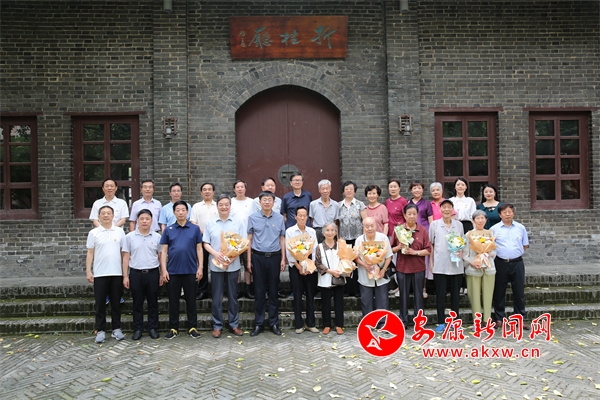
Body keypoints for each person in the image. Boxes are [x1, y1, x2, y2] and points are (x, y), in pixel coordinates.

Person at [159, 200, 203, 340]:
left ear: (187, 212)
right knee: (173, 301)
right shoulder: (169, 229)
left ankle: (192, 327)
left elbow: (199, 249)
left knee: (191, 300)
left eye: (183, 210)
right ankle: (173, 328)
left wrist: (200, 267)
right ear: (174, 212)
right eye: (177, 210)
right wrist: (164, 270)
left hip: (190, 270)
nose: (180, 212)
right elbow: (164, 251)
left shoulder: (195, 229)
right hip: (173, 271)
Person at [203, 194, 245, 338]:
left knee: (233, 296)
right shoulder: (210, 223)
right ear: (217, 206)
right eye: (221, 204)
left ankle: (234, 324)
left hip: (233, 265)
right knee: (217, 297)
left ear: (230, 206)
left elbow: (242, 244)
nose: (224, 207)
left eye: (226, 204)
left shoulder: (237, 222)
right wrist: (216, 254)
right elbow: (205, 243)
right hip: (216, 266)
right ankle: (217, 326)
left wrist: (233, 257)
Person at [247, 191, 286, 336]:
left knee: (274, 291)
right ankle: (259, 324)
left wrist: (283, 258)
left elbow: (282, 239)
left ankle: (274, 323)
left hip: (275, 257)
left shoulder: (279, 218)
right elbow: (249, 240)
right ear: (260, 202)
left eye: (270, 200)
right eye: (264, 199)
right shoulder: (253, 218)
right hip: (258, 257)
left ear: (274, 202)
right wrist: (249, 260)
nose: (267, 202)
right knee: (259, 291)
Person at [85, 205, 126, 343]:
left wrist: (125, 273)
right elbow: (90, 252)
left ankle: (116, 329)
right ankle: (100, 330)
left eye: (109, 213)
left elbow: (124, 253)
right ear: (99, 216)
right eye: (103, 213)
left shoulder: (120, 232)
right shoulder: (94, 233)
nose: (106, 215)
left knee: (116, 303)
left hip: (116, 272)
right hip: (100, 273)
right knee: (100, 303)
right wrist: (88, 270)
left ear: (113, 216)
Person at [122, 209, 162, 340]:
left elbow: (161, 256)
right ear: (137, 221)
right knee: (137, 303)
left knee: (153, 302)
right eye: (142, 219)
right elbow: (126, 257)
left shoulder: (157, 237)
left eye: (147, 219)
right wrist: (125, 276)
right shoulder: (129, 237)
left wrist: (162, 273)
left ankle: (153, 328)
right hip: (136, 273)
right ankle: (138, 329)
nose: (144, 221)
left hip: (153, 272)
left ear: (152, 221)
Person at [392, 204, 431, 327]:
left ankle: (419, 321)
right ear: (404, 215)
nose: (412, 216)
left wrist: (415, 252)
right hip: (402, 267)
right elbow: (391, 249)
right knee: (403, 296)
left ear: (417, 215)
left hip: (418, 268)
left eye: (414, 214)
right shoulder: (399, 230)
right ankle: (403, 321)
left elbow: (428, 250)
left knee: (418, 296)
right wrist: (399, 247)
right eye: (409, 214)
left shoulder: (422, 230)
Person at [491, 203, 529, 330]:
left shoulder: (520, 227)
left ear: (513, 213)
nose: (507, 214)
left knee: (519, 292)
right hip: (500, 263)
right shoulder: (494, 229)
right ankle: (499, 318)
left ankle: (520, 318)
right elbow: (491, 246)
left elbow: (525, 245)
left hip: (517, 263)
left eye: (510, 211)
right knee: (499, 291)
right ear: (499, 215)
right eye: (504, 212)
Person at [429, 199, 464, 333]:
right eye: (444, 207)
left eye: (449, 207)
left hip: (456, 265)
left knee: (455, 295)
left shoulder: (459, 225)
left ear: (453, 210)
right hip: (440, 265)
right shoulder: (434, 225)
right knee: (440, 295)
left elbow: (462, 243)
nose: (447, 209)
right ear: (440, 210)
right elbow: (431, 245)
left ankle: (455, 321)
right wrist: (431, 263)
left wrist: (461, 251)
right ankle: (440, 321)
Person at [285, 206, 318, 334]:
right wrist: (299, 267)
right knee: (297, 295)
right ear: (296, 217)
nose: (302, 218)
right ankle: (299, 324)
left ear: (307, 217)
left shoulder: (311, 231)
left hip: (309, 265)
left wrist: (311, 266)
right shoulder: (290, 231)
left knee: (310, 295)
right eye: (300, 215)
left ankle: (311, 323)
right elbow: (289, 251)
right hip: (295, 266)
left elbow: (314, 250)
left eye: (305, 215)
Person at [462, 210, 496, 325]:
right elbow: (465, 254)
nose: (480, 220)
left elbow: (494, 250)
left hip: (488, 267)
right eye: (478, 218)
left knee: (488, 295)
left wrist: (489, 254)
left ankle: (487, 320)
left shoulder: (490, 233)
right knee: (474, 295)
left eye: (482, 218)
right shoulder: (468, 235)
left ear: (486, 220)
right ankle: (477, 320)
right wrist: (472, 262)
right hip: (473, 268)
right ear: (473, 220)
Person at [354, 217, 393, 318]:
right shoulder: (359, 240)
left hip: (381, 276)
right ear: (363, 227)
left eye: (372, 226)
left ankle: (383, 323)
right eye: (367, 226)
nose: (370, 228)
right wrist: (365, 265)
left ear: (376, 226)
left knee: (383, 302)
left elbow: (389, 256)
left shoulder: (383, 238)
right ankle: (368, 323)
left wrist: (384, 269)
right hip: (365, 276)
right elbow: (355, 257)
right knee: (366, 302)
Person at [336, 180, 367, 298]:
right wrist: (338, 239)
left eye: (351, 189)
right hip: (344, 239)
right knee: (346, 263)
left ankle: (357, 290)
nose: (349, 191)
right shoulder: (338, 206)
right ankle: (347, 290)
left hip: (357, 239)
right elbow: (336, 224)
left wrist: (364, 239)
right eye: (346, 189)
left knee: (357, 263)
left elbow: (365, 222)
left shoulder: (360, 204)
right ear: (343, 191)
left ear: (354, 191)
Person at [315, 223, 345, 335]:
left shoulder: (341, 246)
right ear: (323, 233)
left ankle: (339, 325)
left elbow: (346, 260)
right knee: (325, 303)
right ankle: (326, 325)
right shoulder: (319, 247)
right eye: (327, 230)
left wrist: (341, 271)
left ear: (336, 232)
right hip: (325, 278)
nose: (330, 232)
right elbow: (317, 263)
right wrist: (330, 271)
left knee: (339, 302)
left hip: (339, 277)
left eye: (332, 230)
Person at [190, 182, 218, 300]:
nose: (207, 191)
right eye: (204, 190)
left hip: (216, 240)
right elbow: (193, 222)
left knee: (216, 265)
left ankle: (217, 290)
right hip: (201, 240)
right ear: (201, 192)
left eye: (209, 189)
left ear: (213, 192)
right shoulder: (196, 206)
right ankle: (203, 290)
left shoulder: (218, 206)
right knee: (202, 265)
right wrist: (203, 231)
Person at [230, 180, 255, 299]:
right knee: (236, 266)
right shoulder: (230, 202)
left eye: (242, 187)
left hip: (248, 238)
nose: (240, 189)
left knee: (248, 265)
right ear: (234, 189)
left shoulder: (251, 202)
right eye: (237, 187)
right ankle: (238, 289)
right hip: (234, 240)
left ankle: (248, 288)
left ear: (245, 189)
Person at [309, 179, 339, 243]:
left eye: (327, 188)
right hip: (318, 232)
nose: (325, 191)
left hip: (331, 232)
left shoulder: (336, 205)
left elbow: (335, 221)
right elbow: (311, 220)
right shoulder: (313, 204)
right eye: (323, 189)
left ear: (330, 189)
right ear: (319, 190)